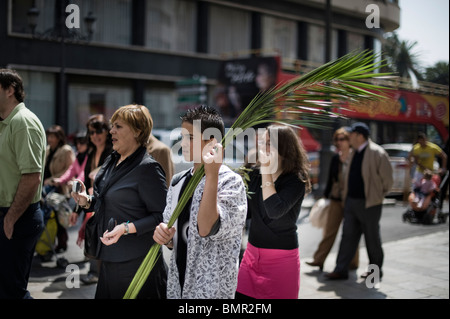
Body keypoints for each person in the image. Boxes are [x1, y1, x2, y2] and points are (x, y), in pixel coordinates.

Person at [72, 104, 168, 299]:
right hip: (109, 259)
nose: (111, 131)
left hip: (138, 264)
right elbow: (103, 200)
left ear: (137, 131)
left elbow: (161, 216)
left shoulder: (148, 168)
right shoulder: (112, 160)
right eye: (112, 126)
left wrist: (125, 228)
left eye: (118, 126)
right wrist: (85, 200)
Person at [153, 105, 247, 299]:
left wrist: (211, 175)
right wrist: (165, 235)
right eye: (183, 136)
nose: (183, 142)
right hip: (177, 286)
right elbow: (173, 238)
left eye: (190, 137)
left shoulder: (230, 181)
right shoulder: (178, 181)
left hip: (211, 292)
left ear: (212, 142)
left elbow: (206, 228)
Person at [236, 124, 311, 299]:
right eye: (262, 142)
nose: (263, 147)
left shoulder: (296, 180)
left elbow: (274, 210)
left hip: (282, 261)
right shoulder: (255, 174)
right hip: (251, 257)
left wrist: (266, 172)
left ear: (284, 148)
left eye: (268, 143)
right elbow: (244, 211)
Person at [325, 122, 393, 280]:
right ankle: (341, 269)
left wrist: (377, 196)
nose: (349, 138)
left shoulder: (377, 153)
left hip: (370, 204)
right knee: (347, 237)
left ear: (360, 136)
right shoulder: (354, 152)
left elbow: (387, 181)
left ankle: (375, 272)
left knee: (372, 239)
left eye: (352, 135)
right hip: (351, 202)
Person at [0, 68, 47, 299]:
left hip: (17, 215)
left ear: (10, 90)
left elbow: (31, 177)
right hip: (10, 214)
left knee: (12, 292)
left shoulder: (22, 122)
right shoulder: (7, 122)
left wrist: (10, 218)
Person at [305, 127, 359, 272]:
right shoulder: (336, 158)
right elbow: (330, 179)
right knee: (329, 231)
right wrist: (326, 197)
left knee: (351, 233)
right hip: (335, 199)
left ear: (349, 140)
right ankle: (318, 260)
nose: (339, 142)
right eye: (337, 139)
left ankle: (353, 262)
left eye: (343, 139)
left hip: (350, 200)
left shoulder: (356, 156)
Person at [69, 114, 113, 285]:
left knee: (102, 239)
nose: (95, 135)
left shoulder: (113, 152)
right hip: (92, 204)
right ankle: (96, 272)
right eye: (91, 132)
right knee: (93, 237)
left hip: (108, 204)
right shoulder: (91, 151)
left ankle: (98, 274)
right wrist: (76, 209)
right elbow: (85, 183)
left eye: (99, 131)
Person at [41, 125, 75, 254]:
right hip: (47, 188)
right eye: (48, 136)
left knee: (60, 217)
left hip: (60, 188)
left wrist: (54, 179)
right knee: (49, 216)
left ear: (59, 137)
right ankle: (48, 244)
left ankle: (61, 243)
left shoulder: (66, 150)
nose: (49, 139)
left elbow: (70, 169)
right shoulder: (48, 149)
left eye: (52, 136)